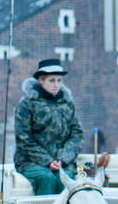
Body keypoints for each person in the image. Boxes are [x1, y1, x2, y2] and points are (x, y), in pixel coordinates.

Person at [13, 59, 84, 195]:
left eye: (59, 80)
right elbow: (24, 139)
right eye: (51, 80)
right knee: (47, 178)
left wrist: (62, 158)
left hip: (62, 162)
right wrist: (48, 161)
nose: (56, 85)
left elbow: (77, 135)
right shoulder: (27, 105)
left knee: (65, 179)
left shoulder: (67, 105)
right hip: (30, 162)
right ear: (41, 80)